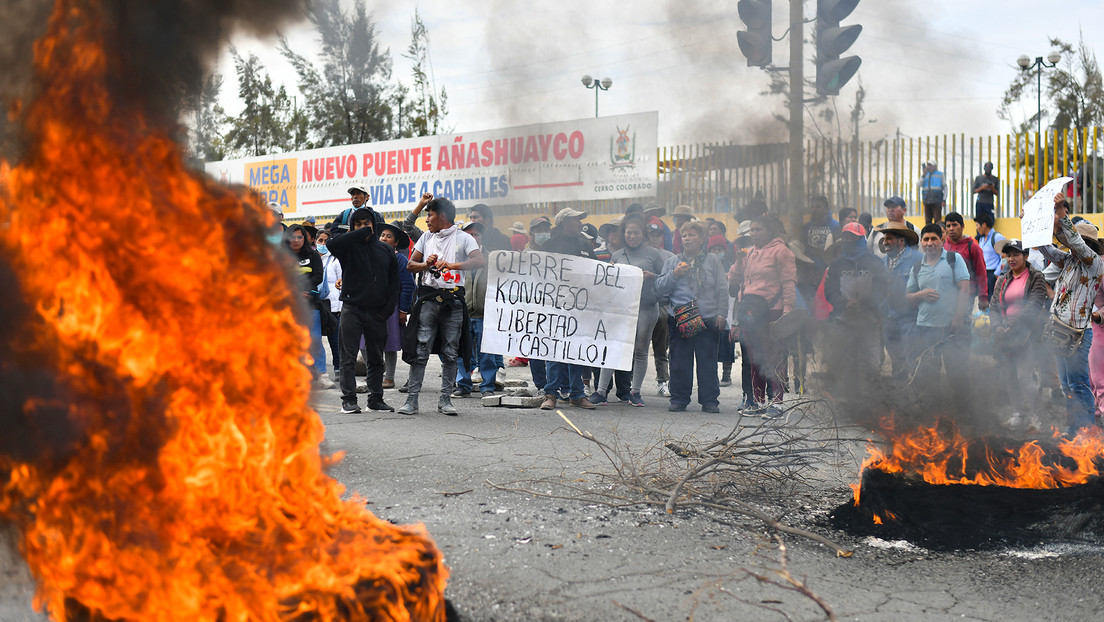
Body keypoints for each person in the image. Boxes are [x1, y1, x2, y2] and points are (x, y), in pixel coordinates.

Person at [401, 197, 485, 416]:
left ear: (443, 216)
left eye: (429, 215)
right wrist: (426, 265)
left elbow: (479, 261)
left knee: (450, 352)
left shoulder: (465, 238)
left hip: (454, 301)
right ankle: (412, 401)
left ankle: (445, 400)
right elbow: (411, 265)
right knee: (421, 350)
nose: (427, 219)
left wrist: (451, 265)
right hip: (428, 300)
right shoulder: (426, 238)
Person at [1035, 194, 1104, 435]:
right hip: (1060, 329)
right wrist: (1033, 225)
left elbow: (1075, 243)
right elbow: (1048, 250)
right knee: (1066, 384)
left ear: (1089, 245)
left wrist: (1062, 214)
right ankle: (1074, 429)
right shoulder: (1070, 261)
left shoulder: (1094, 262)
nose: (1068, 243)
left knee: (1077, 382)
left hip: (1077, 333)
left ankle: (1086, 432)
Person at [327, 208, 399, 414]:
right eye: (357, 224)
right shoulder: (347, 248)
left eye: (366, 224)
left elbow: (394, 284)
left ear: (373, 225)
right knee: (348, 356)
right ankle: (349, 399)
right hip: (352, 308)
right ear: (352, 227)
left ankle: (375, 398)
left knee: (376, 358)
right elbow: (332, 242)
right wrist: (359, 232)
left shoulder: (384, 250)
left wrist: (386, 311)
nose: (362, 228)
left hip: (378, 312)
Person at [591, 214, 667, 408]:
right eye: (629, 232)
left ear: (643, 235)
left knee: (640, 350)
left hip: (647, 308)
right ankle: (601, 391)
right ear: (624, 234)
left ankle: (636, 392)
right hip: (622, 308)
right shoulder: (616, 256)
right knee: (614, 347)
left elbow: (666, 280)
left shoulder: (653, 254)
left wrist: (652, 275)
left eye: (636, 233)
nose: (632, 236)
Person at [655, 220, 727, 413]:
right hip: (680, 319)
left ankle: (710, 400)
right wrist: (674, 275)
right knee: (679, 361)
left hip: (708, 318)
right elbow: (660, 287)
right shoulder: (672, 262)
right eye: (684, 235)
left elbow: (722, 288)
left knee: (708, 362)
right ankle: (679, 399)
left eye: (692, 235)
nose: (687, 238)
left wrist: (722, 314)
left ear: (702, 239)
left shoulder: (713, 260)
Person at [734, 215, 797, 417]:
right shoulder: (749, 253)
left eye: (758, 230)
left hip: (772, 311)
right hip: (750, 311)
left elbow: (789, 283)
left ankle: (777, 403)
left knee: (773, 357)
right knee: (755, 358)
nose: (753, 234)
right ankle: (758, 401)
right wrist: (738, 262)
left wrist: (787, 310)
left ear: (770, 231)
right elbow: (735, 278)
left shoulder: (782, 252)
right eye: (751, 230)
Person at [905, 224, 971, 404]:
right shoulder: (918, 266)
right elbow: (907, 296)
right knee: (928, 375)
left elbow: (965, 289)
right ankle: (932, 413)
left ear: (942, 240)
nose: (929, 243)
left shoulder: (953, 259)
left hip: (951, 328)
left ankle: (963, 412)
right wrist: (921, 294)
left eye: (934, 238)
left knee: (956, 373)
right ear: (921, 242)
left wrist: (958, 317)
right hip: (925, 328)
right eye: (926, 239)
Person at [539, 208, 598, 410]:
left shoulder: (584, 245)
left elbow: (597, 272)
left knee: (577, 351)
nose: (580, 224)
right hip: (555, 306)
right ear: (563, 223)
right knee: (555, 351)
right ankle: (551, 394)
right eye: (575, 221)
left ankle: (577, 394)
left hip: (579, 308)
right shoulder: (549, 246)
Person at [988, 239, 1048, 429]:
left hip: (1027, 334)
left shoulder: (1036, 277)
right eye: (1009, 255)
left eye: (1016, 254)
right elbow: (993, 306)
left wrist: (1012, 325)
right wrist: (997, 326)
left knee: (1024, 376)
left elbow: (1035, 304)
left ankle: (1038, 418)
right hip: (1005, 335)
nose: (1011, 259)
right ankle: (1019, 414)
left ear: (1026, 256)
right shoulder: (1003, 279)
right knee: (1010, 376)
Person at [824, 222, 893, 378]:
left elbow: (881, 290)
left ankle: (872, 399)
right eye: (846, 237)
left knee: (872, 365)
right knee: (842, 365)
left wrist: (863, 303)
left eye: (853, 237)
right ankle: (846, 400)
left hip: (869, 321)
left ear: (862, 239)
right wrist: (843, 304)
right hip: (843, 321)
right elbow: (829, 290)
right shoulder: (837, 264)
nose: (849, 241)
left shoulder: (875, 262)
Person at [452, 221, 502, 397]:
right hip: (462, 313)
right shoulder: (456, 259)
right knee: (462, 353)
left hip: (485, 314)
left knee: (486, 354)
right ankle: (463, 385)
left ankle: (487, 386)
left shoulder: (493, 259)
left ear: (482, 237)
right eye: (469, 235)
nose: (473, 238)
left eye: (476, 235)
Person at [284, 224, 331, 390]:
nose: (296, 240)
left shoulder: (313, 255)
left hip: (310, 304)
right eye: (293, 237)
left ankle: (322, 375)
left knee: (315, 339)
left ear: (305, 239)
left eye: (300, 237)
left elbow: (318, 276)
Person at [879, 221, 922, 377]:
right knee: (897, 364)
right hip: (889, 319)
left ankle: (917, 398)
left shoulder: (917, 260)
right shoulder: (884, 263)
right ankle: (900, 397)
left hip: (910, 319)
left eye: (889, 239)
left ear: (901, 241)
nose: (885, 243)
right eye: (884, 239)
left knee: (913, 361)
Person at [376, 223, 415, 390]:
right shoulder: (373, 256)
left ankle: (389, 377)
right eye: (382, 235)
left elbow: (408, 285)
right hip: (371, 305)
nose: (384, 238)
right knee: (365, 342)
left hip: (392, 307)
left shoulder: (400, 259)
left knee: (389, 344)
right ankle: (376, 372)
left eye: (388, 236)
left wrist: (403, 310)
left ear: (396, 242)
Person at [646, 220, 676, 397]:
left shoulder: (669, 256)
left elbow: (671, 281)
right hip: (643, 305)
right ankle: (631, 382)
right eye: (651, 234)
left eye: (657, 234)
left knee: (661, 348)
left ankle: (662, 381)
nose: (654, 238)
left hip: (663, 305)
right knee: (636, 348)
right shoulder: (642, 254)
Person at [942, 212, 989, 310]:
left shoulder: (973, 247)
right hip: (946, 295)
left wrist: (983, 297)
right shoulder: (943, 246)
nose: (951, 228)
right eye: (948, 226)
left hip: (967, 296)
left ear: (962, 226)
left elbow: (981, 273)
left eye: (955, 225)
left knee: (963, 324)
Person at [317, 229, 343, 379]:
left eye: (326, 241)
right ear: (315, 242)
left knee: (335, 340)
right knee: (316, 339)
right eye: (320, 240)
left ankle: (338, 368)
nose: (323, 244)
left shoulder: (336, 260)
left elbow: (342, 282)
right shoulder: (313, 258)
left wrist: (340, 307)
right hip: (317, 304)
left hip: (333, 305)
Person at [973, 213, 1005, 303]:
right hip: (984, 272)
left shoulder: (997, 237)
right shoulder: (982, 239)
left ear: (984, 224)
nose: (976, 228)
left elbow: (1004, 256)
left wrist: (996, 273)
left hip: (993, 273)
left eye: (977, 225)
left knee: (993, 298)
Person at [919, 160, 948, 225]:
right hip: (927, 201)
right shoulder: (925, 175)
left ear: (935, 166)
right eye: (928, 165)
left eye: (930, 165)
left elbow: (945, 187)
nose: (929, 167)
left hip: (937, 201)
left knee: (937, 220)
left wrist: (944, 199)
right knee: (927, 220)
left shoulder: (940, 175)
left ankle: (937, 233)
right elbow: (919, 184)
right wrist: (923, 175)